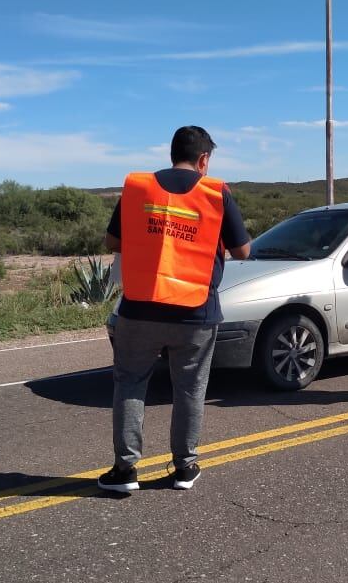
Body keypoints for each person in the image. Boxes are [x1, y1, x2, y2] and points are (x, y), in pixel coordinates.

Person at [99, 126, 251, 492]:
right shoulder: (217, 192)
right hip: (195, 311)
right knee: (190, 389)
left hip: (139, 307)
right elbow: (243, 251)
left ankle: (125, 471)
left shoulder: (138, 187)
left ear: (172, 154)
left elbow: (112, 241)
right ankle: (184, 468)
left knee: (130, 383)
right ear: (204, 160)